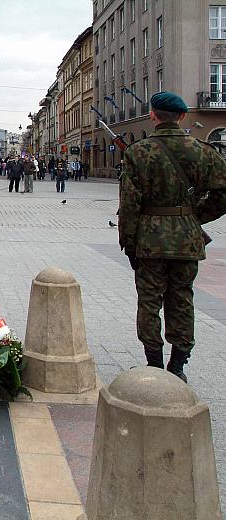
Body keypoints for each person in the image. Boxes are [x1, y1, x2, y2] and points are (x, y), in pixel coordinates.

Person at [119, 91, 226, 382]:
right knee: (182, 299)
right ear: (181, 117)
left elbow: (129, 205)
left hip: (150, 242)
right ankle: (178, 366)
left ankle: (154, 364)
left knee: (149, 301)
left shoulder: (138, 152)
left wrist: (128, 243)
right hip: (187, 241)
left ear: (153, 115)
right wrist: (193, 216)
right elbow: (223, 194)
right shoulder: (204, 151)